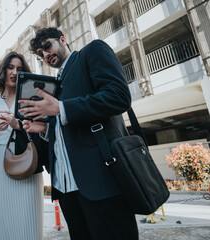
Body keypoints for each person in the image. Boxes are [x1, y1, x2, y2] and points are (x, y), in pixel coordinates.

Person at [19, 27, 139, 239]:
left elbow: (119, 96)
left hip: (102, 183)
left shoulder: (91, 52)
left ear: (63, 40)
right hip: (66, 190)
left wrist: (60, 108)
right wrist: (47, 128)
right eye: (40, 54)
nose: (45, 55)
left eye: (47, 46)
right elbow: (69, 125)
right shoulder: (54, 84)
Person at [0, 51, 46, 240]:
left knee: (29, 218)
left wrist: (17, 124)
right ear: (3, 70)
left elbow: (42, 130)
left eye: (19, 69)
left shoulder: (31, 98)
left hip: (27, 157)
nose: (14, 72)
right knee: (2, 218)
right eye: (10, 67)